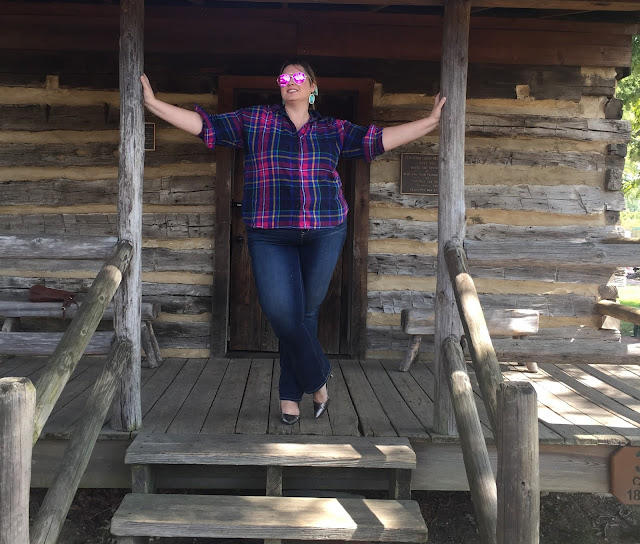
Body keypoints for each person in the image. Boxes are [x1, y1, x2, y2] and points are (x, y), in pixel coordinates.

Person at [140, 60, 445, 425]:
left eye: (298, 76)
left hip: (325, 229)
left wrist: (429, 122)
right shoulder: (255, 120)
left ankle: (289, 396)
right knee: (282, 314)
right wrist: (153, 104)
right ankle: (318, 379)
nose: (290, 81)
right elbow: (206, 127)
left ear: (313, 87)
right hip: (269, 232)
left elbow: (377, 140)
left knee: (304, 315)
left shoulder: (333, 128)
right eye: (284, 77)